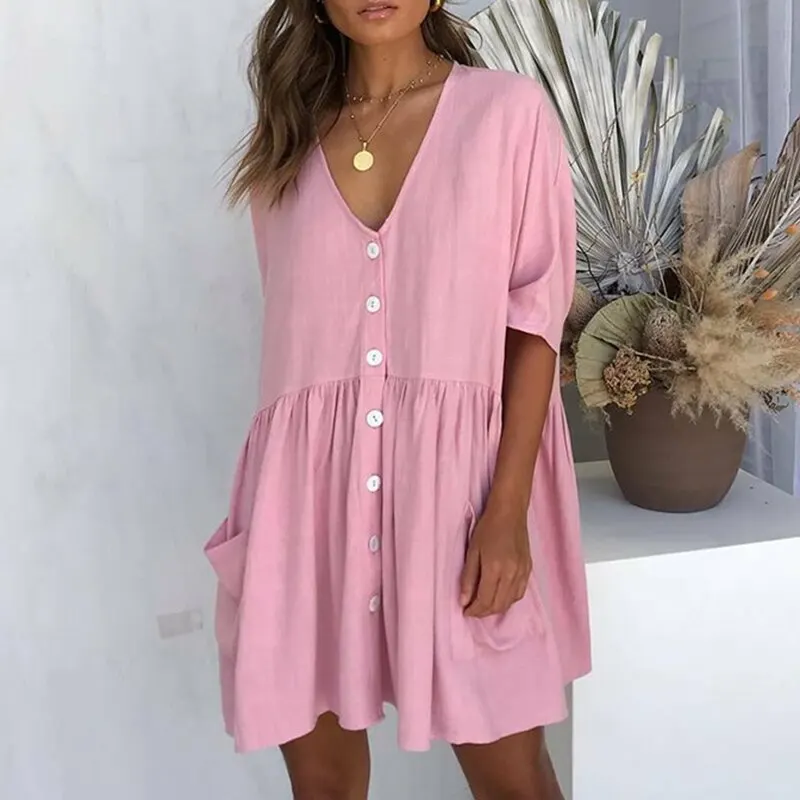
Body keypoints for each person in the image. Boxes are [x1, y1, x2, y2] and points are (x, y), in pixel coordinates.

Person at [204, 0, 591, 797]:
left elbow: (534, 327)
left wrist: (506, 510)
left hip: (462, 501)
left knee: (513, 779)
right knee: (322, 784)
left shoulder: (506, 115)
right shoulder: (285, 142)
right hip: (306, 516)